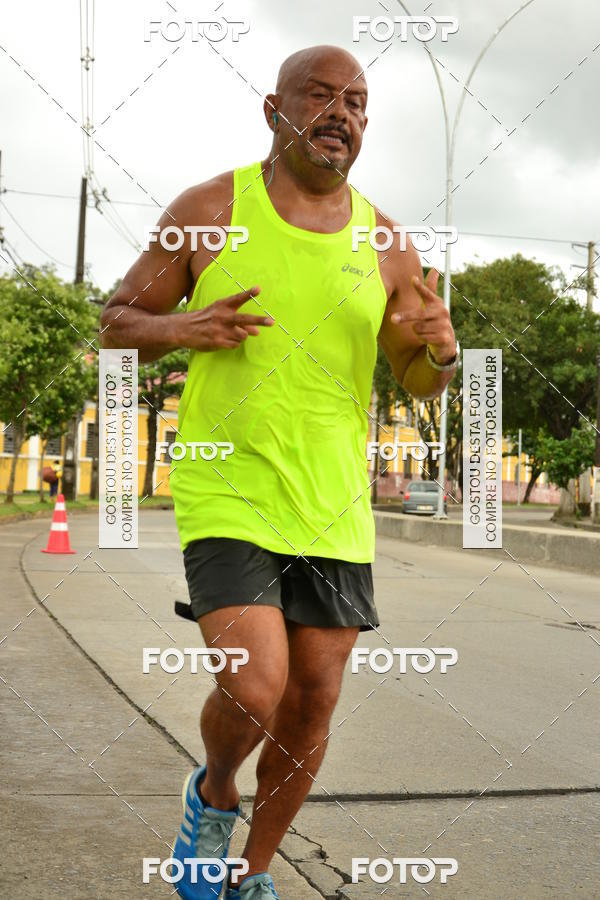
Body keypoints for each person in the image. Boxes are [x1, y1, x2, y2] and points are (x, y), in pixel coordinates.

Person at [101, 45, 457, 900]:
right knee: (258, 687)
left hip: (332, 501)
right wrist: (182, 329)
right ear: (275, 110)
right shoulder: (212, 208)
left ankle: (252, 874)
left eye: (358, 103)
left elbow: (415, 376)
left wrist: (441, 355)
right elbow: (117, 320)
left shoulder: (387, 243)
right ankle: (215, 793)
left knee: (311, 707)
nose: (341, 113)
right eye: (322, 96)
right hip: (230, 484)